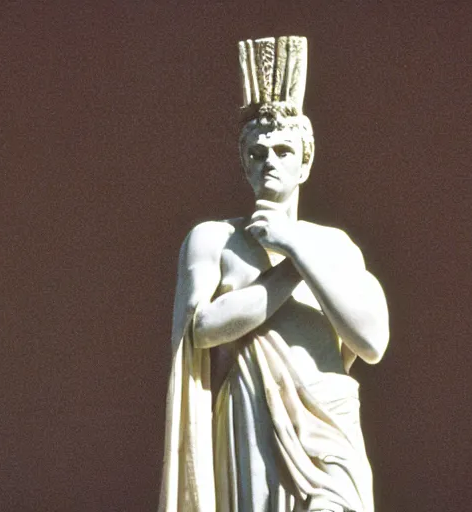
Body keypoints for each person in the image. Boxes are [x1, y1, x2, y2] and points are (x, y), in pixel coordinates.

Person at [159, 37, 389, 512]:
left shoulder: (335, 247)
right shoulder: (213, 239)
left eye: (284, 150)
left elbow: (371, 341)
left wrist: (299, 247)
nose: (270, 161)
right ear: (244, 163)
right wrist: (292, 267)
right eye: (258, 152)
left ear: (305, 162)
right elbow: (200, 330)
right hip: (253, 420)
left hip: (330, 423)